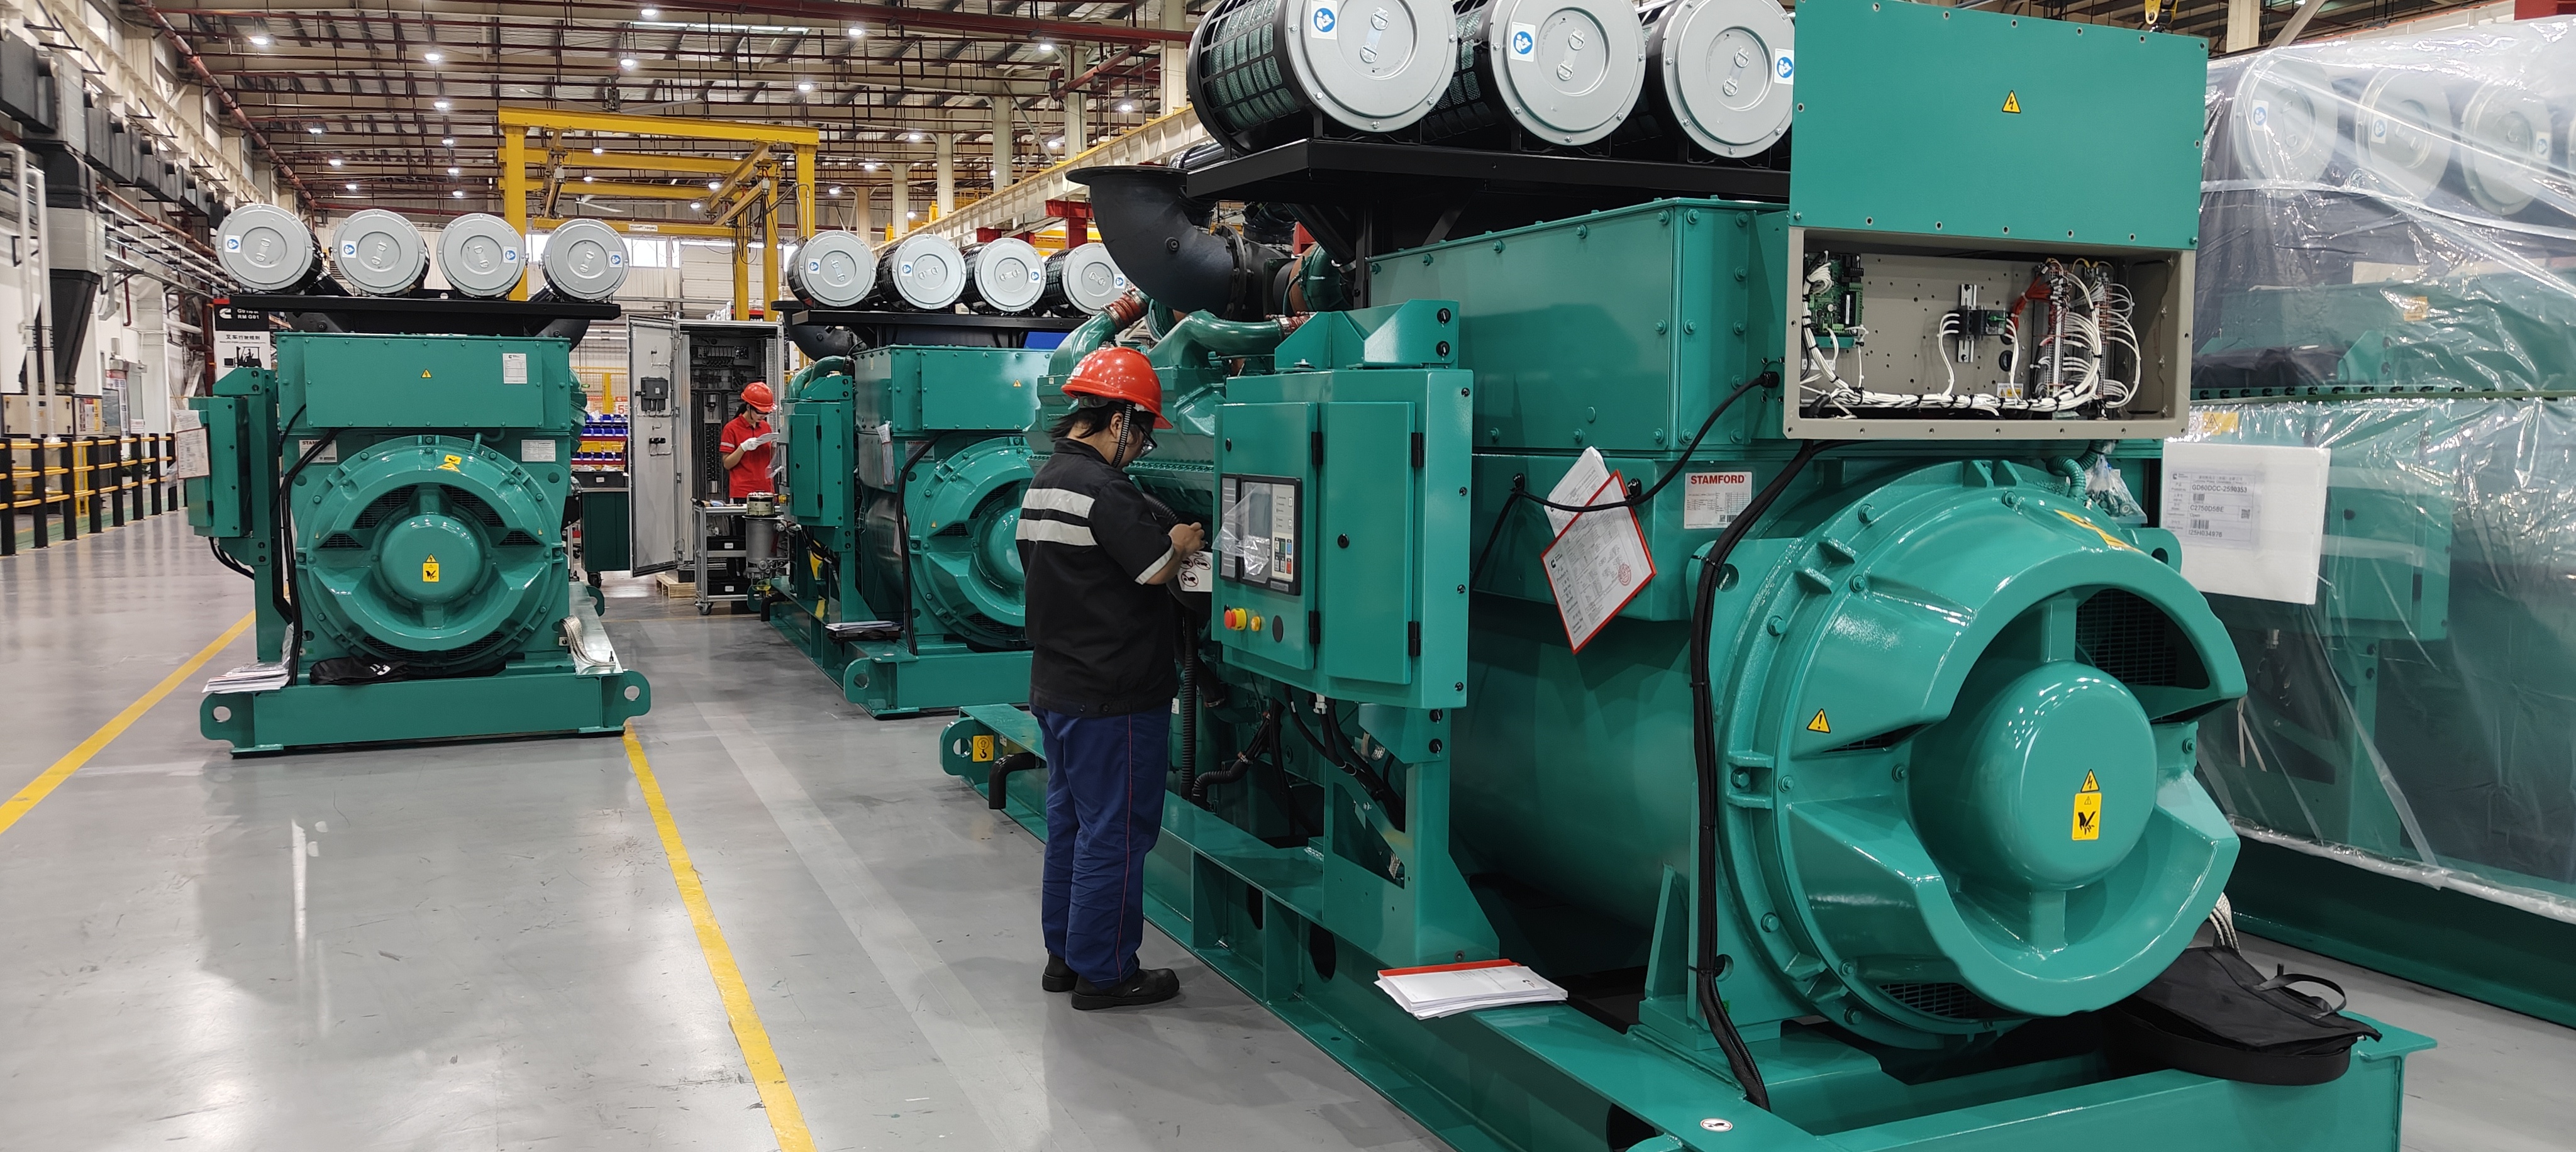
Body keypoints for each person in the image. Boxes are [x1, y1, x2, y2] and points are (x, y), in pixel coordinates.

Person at [1017, 346, 1204, 1011]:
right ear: (1119, 419)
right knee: (1118, 833)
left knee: (1072, 825)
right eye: (1144, 432)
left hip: (1058, 685)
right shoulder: (1104, 489)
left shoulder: (1045, 479)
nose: (1143, 447)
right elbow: (1155, 568)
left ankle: (1066, 956)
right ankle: (1107, 971)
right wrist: (1183, 541)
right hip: (1114, 694)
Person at [717, 382, 777, 500]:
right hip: (743, 492)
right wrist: (743, 448)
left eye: (766, 413)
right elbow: (727, 464)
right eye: (759, 412)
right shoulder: (732, 429)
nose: (763, 416)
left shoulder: (766, 427)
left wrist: (775, 447)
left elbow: (770, 461)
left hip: (767, 490)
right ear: (749, 407)